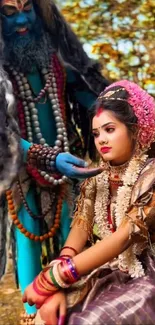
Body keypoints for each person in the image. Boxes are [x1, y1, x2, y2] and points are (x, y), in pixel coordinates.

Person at [0, 0, 109, 321]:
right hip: (21, 172)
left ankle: (80, 307)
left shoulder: (57, 58)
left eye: (27, 8)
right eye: (8, 12)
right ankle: (34, 314)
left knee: (75, 231)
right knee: (28, 236)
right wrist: (42, 155)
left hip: (70, 165)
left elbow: (92, 97)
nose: (21, 19)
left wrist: (118, 116)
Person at [23, 79, 155, 325]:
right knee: (45, 314)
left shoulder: (151, 175)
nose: (101, 139)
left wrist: (52, 279)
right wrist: (56, 279)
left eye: (110, 129)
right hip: (111, 267)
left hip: (147, 273)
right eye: (95, 133)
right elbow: (81, 228)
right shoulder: (96, 178)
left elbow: (124, 236)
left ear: (135, 130)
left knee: (89, 321)